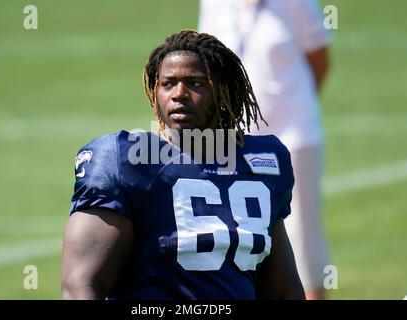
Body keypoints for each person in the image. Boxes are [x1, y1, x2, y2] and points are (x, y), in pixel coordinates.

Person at [61, 30, 305, 300]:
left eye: (195, 83)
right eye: (168, 84)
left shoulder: (263, 162)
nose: (179, 94)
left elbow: (284, 290)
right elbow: (80, 284)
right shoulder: (123, 161)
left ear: (223, 90)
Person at [198, 0, 331, 299]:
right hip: (237, 138)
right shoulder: (214, 3)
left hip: (293, 132)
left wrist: (298, 108)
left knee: (300, 229)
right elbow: (205, 59)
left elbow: (319, 59)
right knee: (241, 225)